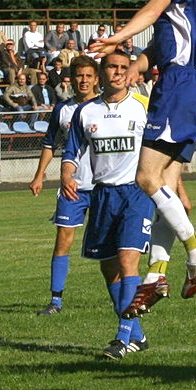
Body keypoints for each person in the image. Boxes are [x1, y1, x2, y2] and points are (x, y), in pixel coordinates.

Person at [91, 0, 196, 317]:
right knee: (167, 186)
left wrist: (118, 37)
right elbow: (163, 45)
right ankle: (156, 274)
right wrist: (138, 65)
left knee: (145, 178)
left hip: (177, 89)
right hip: (189, 88)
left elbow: (153, 8)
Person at [61, 52, 153, 358]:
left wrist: (175, 190)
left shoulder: (143, 107)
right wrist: (67, 173)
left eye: (123, 68)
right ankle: (137, 335)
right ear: (102, 73)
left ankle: (122, 337)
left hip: (136, 194)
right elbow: (72, 150)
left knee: (128, 262)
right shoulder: (86, 112)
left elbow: (162, 151)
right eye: (112, 67)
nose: (117, 72)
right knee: (109, 269)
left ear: (130, 73)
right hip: (102, 196)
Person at [30, 56, 100, 315]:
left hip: (104, 186)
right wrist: (40, 175)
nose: (83, 81)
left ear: (96, 79)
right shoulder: (63, 110)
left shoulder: (106, 107)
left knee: (114, 245)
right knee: (63, 240)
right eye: (78, 76)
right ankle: (55, 300)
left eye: (88, 76)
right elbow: (50, 143)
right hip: (73, 187)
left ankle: (124, 298)